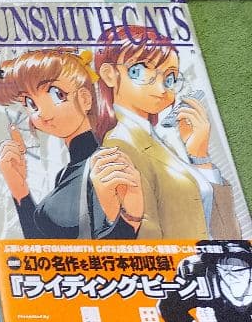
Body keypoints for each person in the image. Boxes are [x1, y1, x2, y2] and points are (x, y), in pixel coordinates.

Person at [94, 25, 241, 240]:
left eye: (169, 78)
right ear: (109, 74)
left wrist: (200, 156)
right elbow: (148, 242)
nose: (162, 89)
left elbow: (229, 236)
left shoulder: (157, 142)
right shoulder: (121, 145)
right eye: (139, 71)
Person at [0, 48, 142, 239]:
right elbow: (43, 246)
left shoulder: (103, 165)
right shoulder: (66, 173)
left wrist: (131, 219)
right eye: (31, 103)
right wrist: (18, 186)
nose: (43, 113)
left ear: (85, 99)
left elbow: (111, 249)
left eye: (57, 95)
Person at [159, 242, 252, 322]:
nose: (230, 275)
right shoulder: (207, 285)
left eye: (237, 268)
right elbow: (168, 305)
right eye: (223, 268)